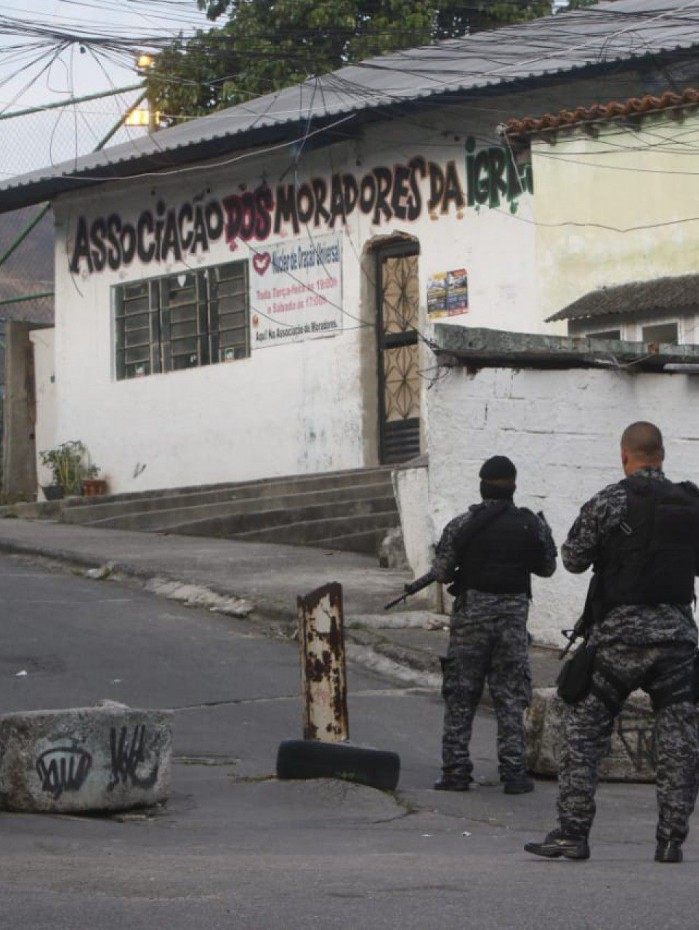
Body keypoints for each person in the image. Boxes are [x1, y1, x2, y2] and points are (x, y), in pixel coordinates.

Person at [525, 422, 699, 864]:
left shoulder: (610, 501)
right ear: (663, 455)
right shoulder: (690, 504)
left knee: (582, 733)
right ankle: (671, 842)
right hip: (677, 643)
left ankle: (572, 833)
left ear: (625, 457)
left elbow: (572, 558)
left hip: (619, 642)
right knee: (679, 742)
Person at [428, 455, 557, 794]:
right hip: (512, 622)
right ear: (514, 486)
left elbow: (441, 572)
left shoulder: (462, 524)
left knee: (461, 693)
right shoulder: (531, 525)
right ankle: (513, 773)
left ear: (481, 486)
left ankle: (456, 771)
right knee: (510, 695)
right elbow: (547, 568)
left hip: (471, 620)